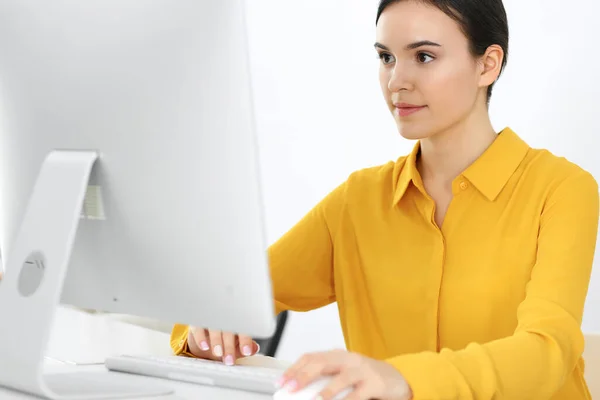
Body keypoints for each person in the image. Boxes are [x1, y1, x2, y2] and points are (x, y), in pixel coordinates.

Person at [170, 0, 599, 398]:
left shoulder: (561, 189)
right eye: (386, 57)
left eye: (424, 57)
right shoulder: (358, 203)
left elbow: (547, 351)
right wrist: (205, 331)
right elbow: (230, 299)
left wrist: (404, 378)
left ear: (487, 64)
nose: (397, 80)